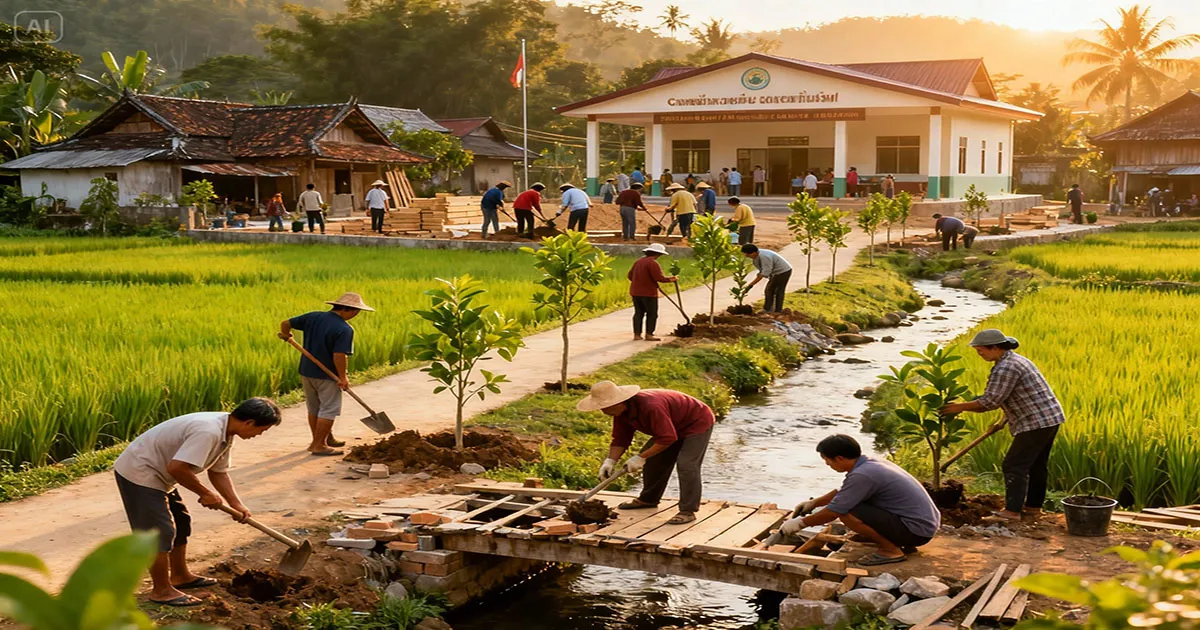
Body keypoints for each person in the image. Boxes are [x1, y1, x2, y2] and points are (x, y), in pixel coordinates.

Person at [114, 397, 282, 606]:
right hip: (140, 471)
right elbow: (177, 468)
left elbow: (218, 472)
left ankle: (180, 576)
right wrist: (205, 493)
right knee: (159, 532)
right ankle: (161, 590)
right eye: (262, 430)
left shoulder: (226, 432)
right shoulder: (208, 431)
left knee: (181, 521)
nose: (259, 435)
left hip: (161, 474)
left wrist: (236, 504)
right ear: (249, 422)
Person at [941, 329, 1065, 522]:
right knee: (1036, 465)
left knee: (1014, 464)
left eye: (981, 350)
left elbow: (989, 402)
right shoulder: (1015, 360)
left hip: (1036, 421)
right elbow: (1009, 395)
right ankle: (1033, 508)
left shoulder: (1006, 368)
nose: (979, 354)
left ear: (995, 347)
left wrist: (959, 407)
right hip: (1050, 418)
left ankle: (1012, 512)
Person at [778, 434, 940, 566]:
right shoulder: (869, 463)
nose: (827, 464)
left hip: (916, 531)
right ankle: (898, 542)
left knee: (847, 511)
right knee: (850, 503)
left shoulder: (863, 475)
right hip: (922, 525)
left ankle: (890, 550)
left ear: (839, 458)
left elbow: (834, 511)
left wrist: (800, 523)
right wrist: (814, 503)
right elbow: (844, 492)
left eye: (826, 459)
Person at [577, 381, 715, 525]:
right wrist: (610, 461)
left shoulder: (651, 406)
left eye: (605, 407)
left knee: (687, 465)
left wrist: (640, 457)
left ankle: (687, 511)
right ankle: (649, 499)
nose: (603, 411)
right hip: (671, 424)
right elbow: (621, 439)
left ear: (619, 402)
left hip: (696, 422)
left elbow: (667, 438)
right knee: (653, 460)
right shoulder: (621, 413)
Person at [279, 292, 374, 456]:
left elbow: (285, 323)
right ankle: (318, 445)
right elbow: (339, 355)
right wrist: (343, 377)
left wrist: (286, 335)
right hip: (327, 376)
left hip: (306, 371)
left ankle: (325, 439)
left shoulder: (313, 317)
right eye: (356, 312)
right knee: (329, 409)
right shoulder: (344, 329)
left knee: (314, 408)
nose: (356, 315)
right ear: (349, 309)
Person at [627, 242, 678, 340]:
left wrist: (639, 282)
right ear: (658, 254)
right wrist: (672, 279)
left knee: (638, 313)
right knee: (652, 314)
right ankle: (649, 334)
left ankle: (637, 335)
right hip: (648, 293)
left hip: (635, 292)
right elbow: (659, 278)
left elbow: (630, 276)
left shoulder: (638, 262)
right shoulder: (652, 263)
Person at [742, 244, 792, 313]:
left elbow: (765, 272)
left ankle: (773, 310)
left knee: (774, 290)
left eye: (748, 254)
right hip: (775, 273)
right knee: (771, 290)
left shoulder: (765, 256)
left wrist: (750, 285)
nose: (747, 256)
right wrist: (760, 273)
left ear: (754, 252)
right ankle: (771, 309)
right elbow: (762, 270)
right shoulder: (757, 256)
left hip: (783, 272)